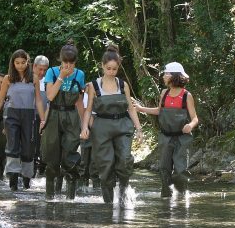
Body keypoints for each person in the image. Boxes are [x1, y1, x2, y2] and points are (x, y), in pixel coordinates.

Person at [81, 45, 143, 204]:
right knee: (105, 164)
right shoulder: (93, 86)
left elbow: (130, 107)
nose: (111, 71)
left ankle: (123, 196)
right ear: (102, 66)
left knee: (124, 159)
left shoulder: (123, 85)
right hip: (101, 127)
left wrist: (139, 129)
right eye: (108, 68)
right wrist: (84, 127)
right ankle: (108, 204)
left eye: (114, 69)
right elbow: (88, 110)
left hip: (123, 125)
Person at [133, 62, 198, 197]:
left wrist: (190, 126)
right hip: (165, 137)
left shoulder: (187, 96)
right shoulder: (164, 93)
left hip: (182, 138)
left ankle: (181, 198)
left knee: (181, 171)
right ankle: (166, 198)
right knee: (164, 169)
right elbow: (159, 111)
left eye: (166, 74)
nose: (163, 76)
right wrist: (140, 109)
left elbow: (195, 118)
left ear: (175, 76)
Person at [0, 50, 46, 191]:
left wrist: (43, 119)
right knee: (12, 147)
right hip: (11, 114)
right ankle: (13, 182)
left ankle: (27, 181)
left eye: (23, 63)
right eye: (17, 63)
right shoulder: (8, 79)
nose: (20, 66)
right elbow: (0, 99)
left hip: (29, 115)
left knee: (28, 149)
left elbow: (38, 100)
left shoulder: (34, 78)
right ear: (13, 63)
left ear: (28, 62)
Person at [41, 40, 85, 200]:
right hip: (53, 116)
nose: (68, 66)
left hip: (71, 118)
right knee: (52, 157)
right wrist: (61, 76)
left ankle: (70, 199)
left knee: (71, 156)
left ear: (75, 62)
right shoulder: (51, 72)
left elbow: (79, 101)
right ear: (60, 60)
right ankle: (49, 197)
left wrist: (85, 124)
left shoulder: (80, 74)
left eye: (71, 63)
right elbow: (50, 96)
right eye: (65, 63)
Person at [32, 55, 49, 177]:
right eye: (40, 69)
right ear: (34, 66)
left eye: (45, 70)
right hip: (28, 117)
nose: (42, 72)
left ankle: (41, 170)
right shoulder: (27, 79)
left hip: (45, 118)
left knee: (43, 147)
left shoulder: (49, 81)